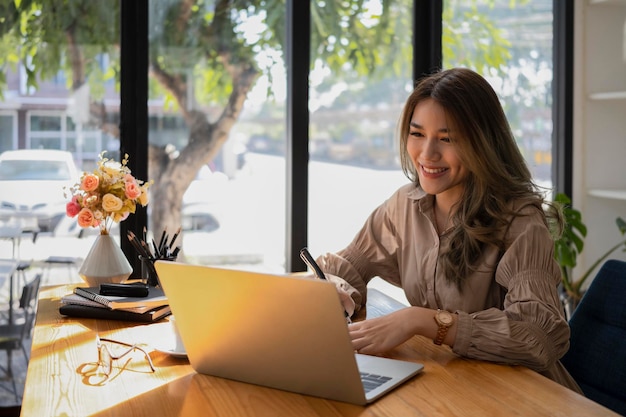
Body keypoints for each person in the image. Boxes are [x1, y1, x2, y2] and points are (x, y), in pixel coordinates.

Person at [315, 67, 582, 393]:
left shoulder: (520, 222)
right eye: (417, 134)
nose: (427, 154)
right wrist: (336, 291)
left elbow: (539, 336)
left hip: (526, 396)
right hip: (457, 385)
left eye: (447, 139)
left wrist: (424, 321)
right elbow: (347, 264)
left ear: (482, 143)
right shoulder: (404, 205)